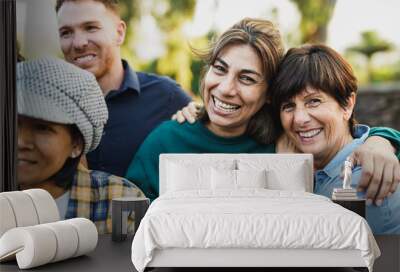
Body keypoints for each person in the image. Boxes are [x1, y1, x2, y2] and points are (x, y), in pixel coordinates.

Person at [124, 18, 400, 204]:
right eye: (219, 69)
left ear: (269, 95)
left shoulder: (287, 139)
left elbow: (346, 141)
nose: (225, 88)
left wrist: (382, 141)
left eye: (246, 78)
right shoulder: (164, 142)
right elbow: (130, 224)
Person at [270, 44, 399, 234]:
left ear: (347, 105)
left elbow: (294, 242)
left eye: (313, 101)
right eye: (288, 106)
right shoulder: (320, 171)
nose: (299, 119)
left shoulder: (362, 181)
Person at [55, 0, 192, 177]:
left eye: (90, 28)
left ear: (119, 33)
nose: (78, 43)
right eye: (66, 33)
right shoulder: (48, 106)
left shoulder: (168, 98)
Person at [17, 57, 144, 234]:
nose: (20, 142)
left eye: (42, 128)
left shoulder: (119, 201)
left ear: (76, 144)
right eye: (13, 124)